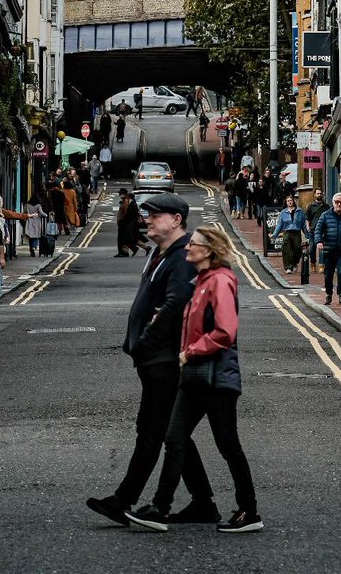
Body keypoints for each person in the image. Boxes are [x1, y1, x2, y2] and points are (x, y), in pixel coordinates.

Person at [87, 192, 219, 528]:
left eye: (156, 215)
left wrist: (145, 342)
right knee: (169, 433)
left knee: (152, 429)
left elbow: (177, 305)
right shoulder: (163, 253)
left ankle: (124, 500)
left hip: (164, 359)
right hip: (154, 358)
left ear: (176, 220)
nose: (147, 219)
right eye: (147, 214)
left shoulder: (182, 256)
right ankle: (203, 503)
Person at [126, 224, 263, 534]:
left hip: (216, 378)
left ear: (209, 251)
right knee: (174, 439)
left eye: (194, 245)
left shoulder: (221, 281)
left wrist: (191, 351)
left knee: (228, 444)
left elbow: (226, 331)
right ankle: (160, 508)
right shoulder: (200, 281)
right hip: (194, 376)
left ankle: (249, 511)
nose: (187, 248)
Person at [314, 192, 341, 305]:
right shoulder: (325, 215)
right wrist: (318, 241)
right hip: (329, 250)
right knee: (328, 274)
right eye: (336, 202)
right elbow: (318, 230)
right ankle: (329, 294)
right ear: (333, 203)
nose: (339, 204)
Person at [271, 193, 306, 274]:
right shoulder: (283, 213)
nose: (289, 202)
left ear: (293, 201)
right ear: (286, 203)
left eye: (291, 200)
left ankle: (294, 263)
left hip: (296, 232)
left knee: (297, 249)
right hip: (287, 232)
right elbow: (279, 225)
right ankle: (288, 267)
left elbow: (303, 224)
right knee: (286, 249)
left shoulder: (299, 211)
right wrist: (274, 235)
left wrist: (307, 235)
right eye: (288, 201)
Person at [116, 188, 141, 257]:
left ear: (124, 194)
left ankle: (126, 251)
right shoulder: (124, 201)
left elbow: (125, 213)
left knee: (123, 238)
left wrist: (122, 221)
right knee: (122, 238)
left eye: (120, 194)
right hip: (123, 222)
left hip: (124, 223)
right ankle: (123, 252)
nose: (119, 195)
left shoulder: (126, 202)